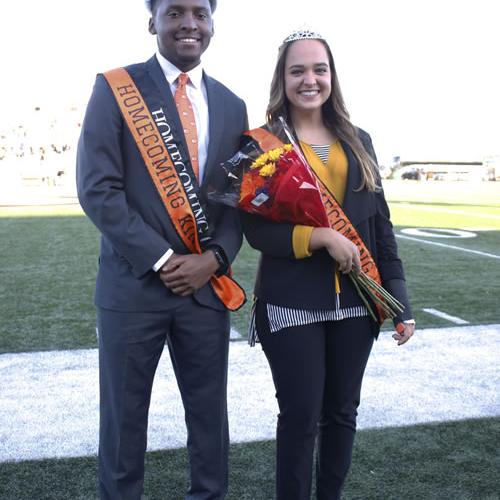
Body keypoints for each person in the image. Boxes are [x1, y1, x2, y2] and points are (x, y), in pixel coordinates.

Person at [76, 0, 247, 498]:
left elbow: (235, 205)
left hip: (206, 292)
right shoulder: (116, 88)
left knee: (210, 424)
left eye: (200, 13)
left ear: (213, 24)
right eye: (175, 12)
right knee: (123, 426)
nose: (189, 23)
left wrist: (213, 260)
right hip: (133, 289)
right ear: (153, 22)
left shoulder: (233, 104)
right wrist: (163, 258)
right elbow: (97, 189)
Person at [241, 29, 415, 500]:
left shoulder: (359, 141)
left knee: (341, 414)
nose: (310, 79)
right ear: (283, 79)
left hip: (357, 305)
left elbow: (381, 228)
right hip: (291, 304)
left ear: (332, 76)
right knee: (299, 417)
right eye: (297, 70)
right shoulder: (263, 143)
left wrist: (401, 303)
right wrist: (319, 237)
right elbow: (256, 232)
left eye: (319, 69)